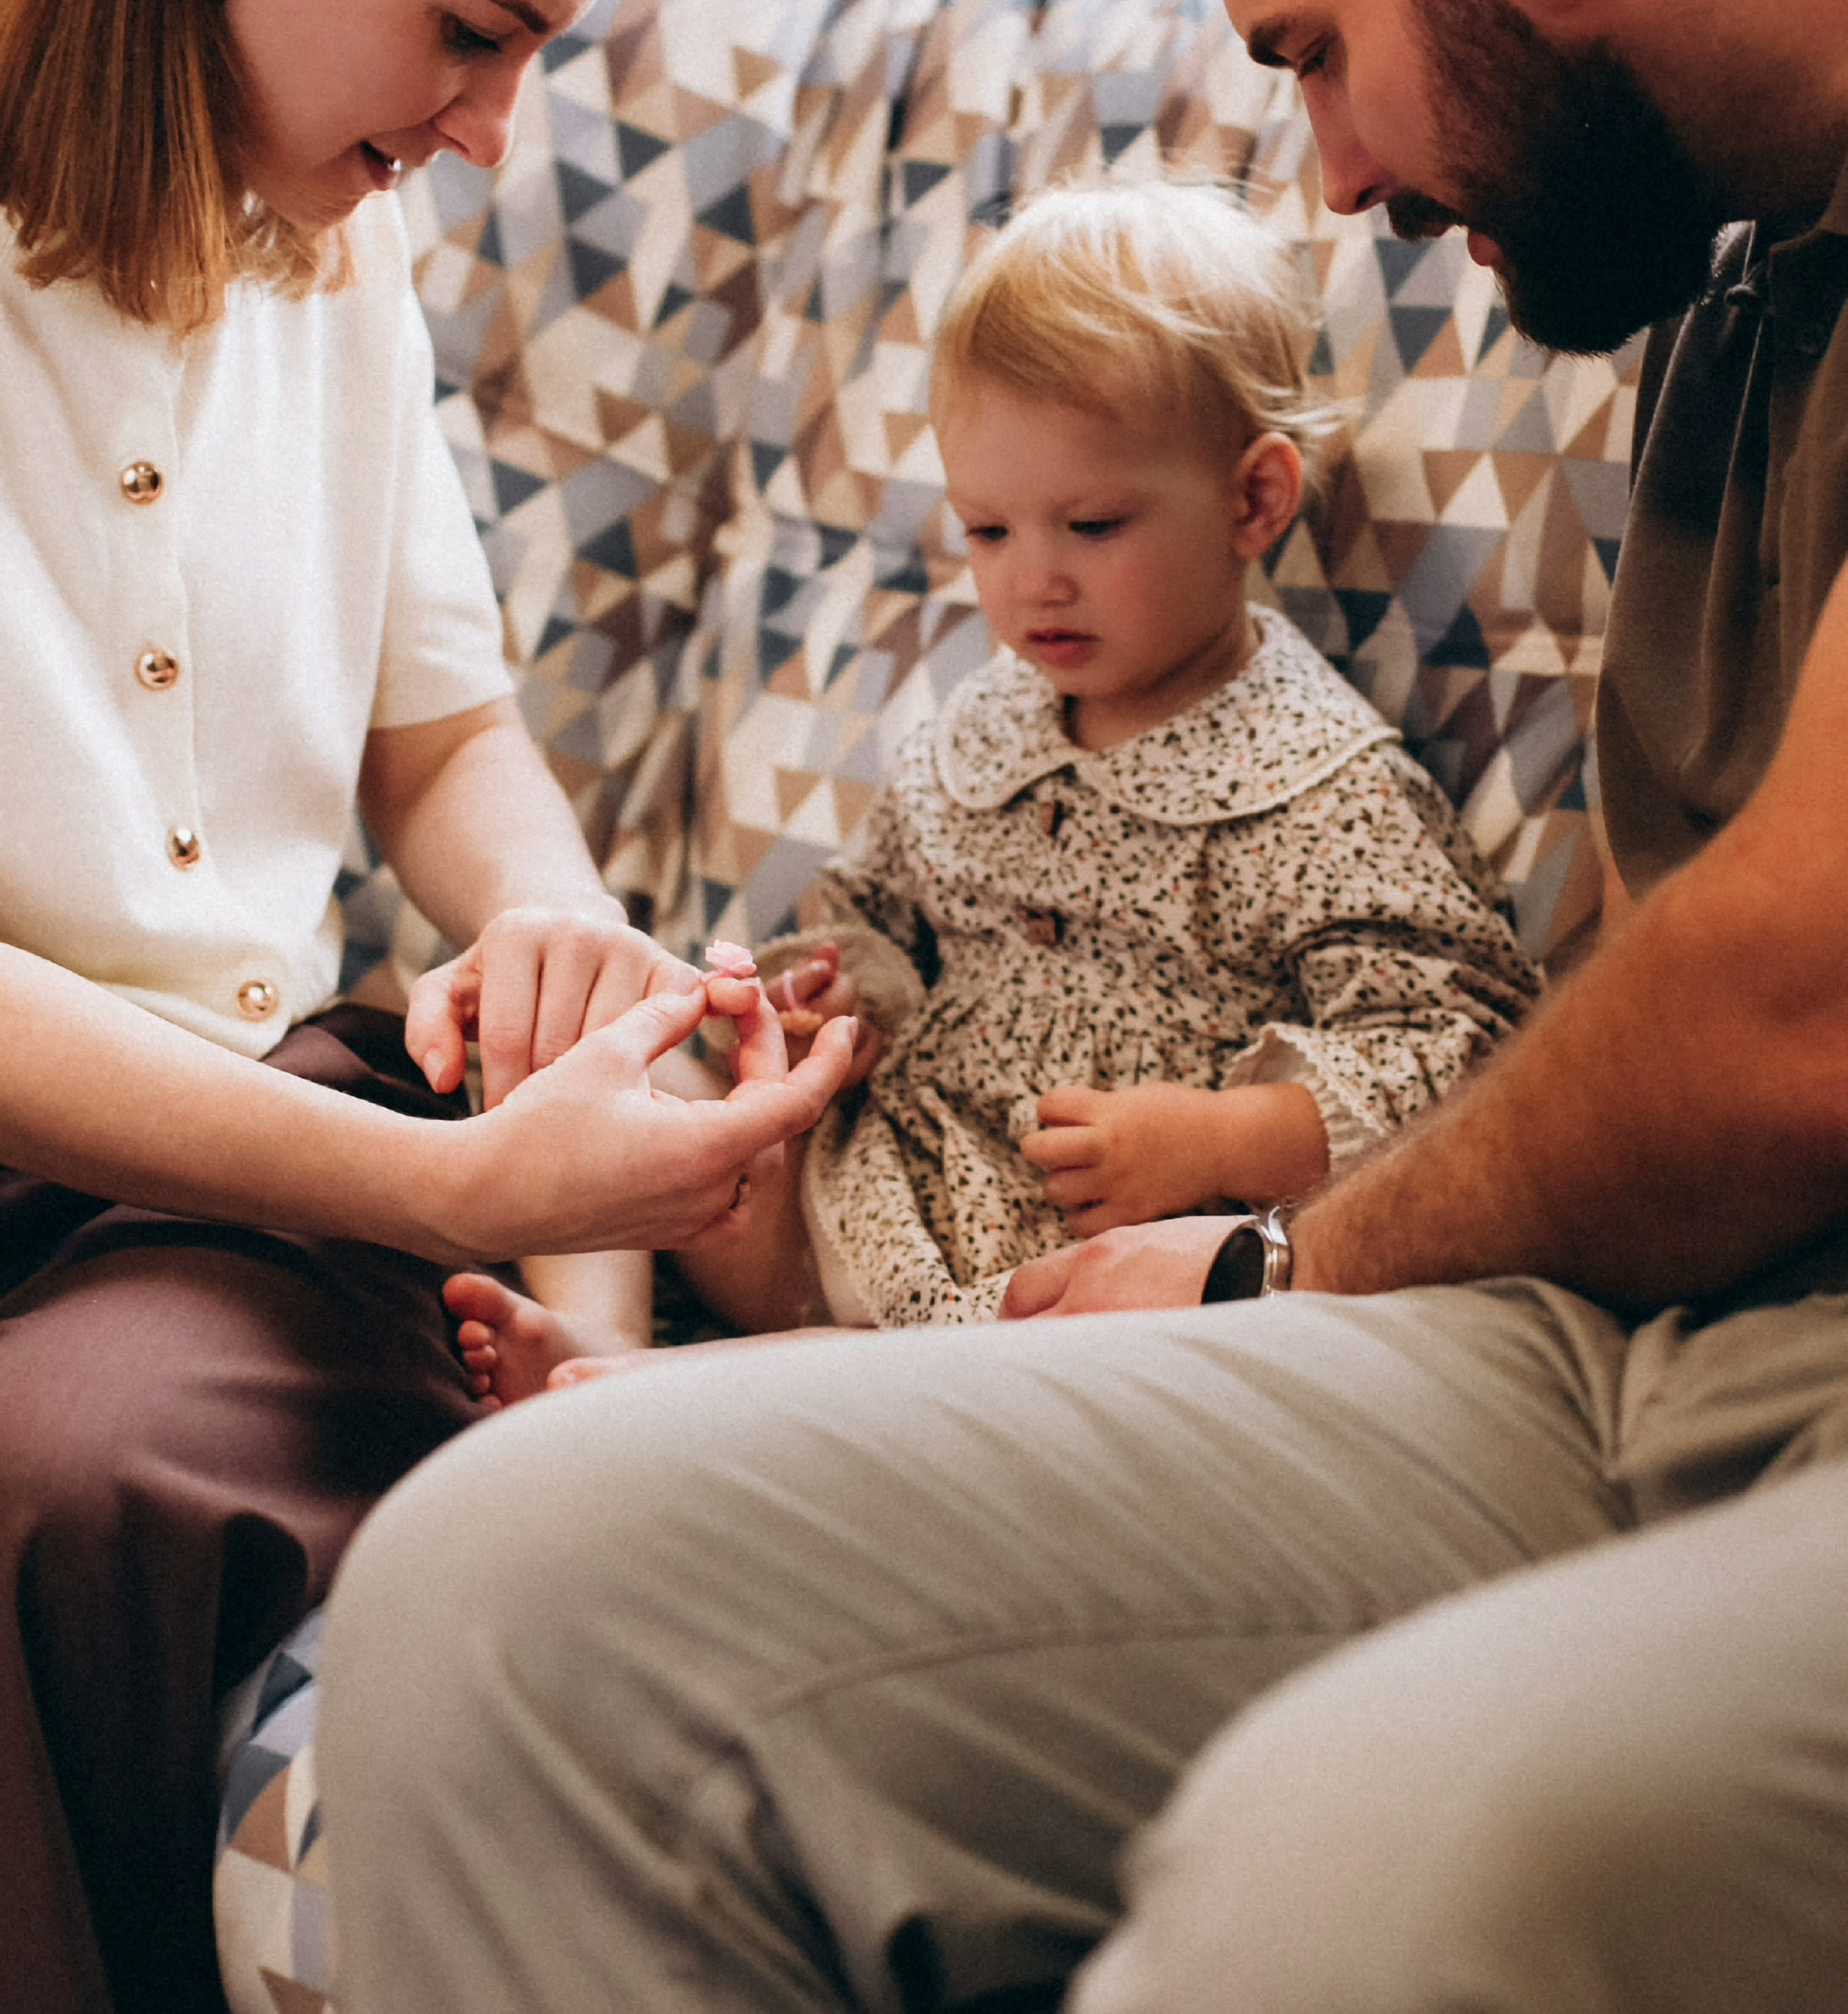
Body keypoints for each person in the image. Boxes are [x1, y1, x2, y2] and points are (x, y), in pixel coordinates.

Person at [320, 0, 1848, 2014]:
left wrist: (1278, 1241)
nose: (1341, 178)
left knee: (1338, 1936)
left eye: (1303, 49)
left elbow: (1789, 1010)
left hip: (1736, 1367)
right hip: (1628, 1344)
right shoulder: (1742, 278)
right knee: (502, 1587)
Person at [0, 0, 854, 2014]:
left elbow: (443, 735)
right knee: (73, 1472)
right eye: (474, 33)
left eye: (537, 54)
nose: (489, 132)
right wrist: (463, 1175)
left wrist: (556, 931)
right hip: (106, 1168)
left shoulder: (333, 256)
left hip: (293, 1140)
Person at [448, 181, 1535, 1389]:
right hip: (854, 1187)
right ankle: (612, 1329)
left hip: (1066, 1264)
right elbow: (880, 909)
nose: (1035, 586)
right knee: (600, 1033)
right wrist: (836, 989)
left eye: (1092, 525)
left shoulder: (1318, 782)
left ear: (1252, 500)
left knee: (1072, 1330)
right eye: (989, 533)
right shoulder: (990, 723)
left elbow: (1466, 1046)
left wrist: (1231, 1137)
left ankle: (722, 1390)